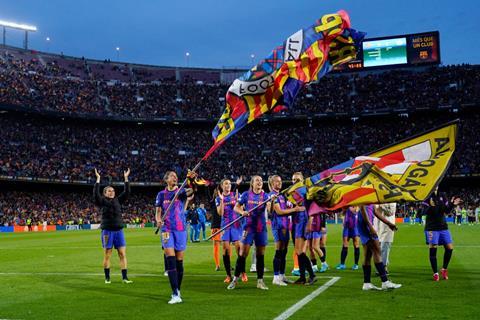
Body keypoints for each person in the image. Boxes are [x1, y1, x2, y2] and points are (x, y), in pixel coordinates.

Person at [155, 170, 195, 304]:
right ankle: (174, 293)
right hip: (167, 229)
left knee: (179, 261)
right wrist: (158, 220)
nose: (175, 178)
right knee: (170, 259)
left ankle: (178, 289)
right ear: (166, 179)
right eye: (172, 176)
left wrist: (191, 180)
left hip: (180, 229)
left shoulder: (181, 192)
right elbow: (158, 211)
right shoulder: (161, 195)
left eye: (176, 177)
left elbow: (192, 191)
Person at [227, 175, 269, 290]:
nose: (259, 182)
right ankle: (235, 280)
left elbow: (270, 210)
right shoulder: (246, 194)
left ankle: (260, 281)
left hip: (261, 229)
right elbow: (236, 207)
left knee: (260, 255)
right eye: (257, 180)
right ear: (252, 183)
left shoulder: (265, 196)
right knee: (242, 254)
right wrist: (242, 212)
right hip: (248, 228)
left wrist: (272, 201)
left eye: (261, 180)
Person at [93, 168, 132, 284]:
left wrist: (126, 178)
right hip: (107, 231)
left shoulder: (118, 200)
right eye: (109, 191)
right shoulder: (102, 201)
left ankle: (125, 278)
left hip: (119, 231)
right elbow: (96, 195)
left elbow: (127, 192)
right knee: (107, 255)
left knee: (122, 254)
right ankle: (107, 278)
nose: (112, 192)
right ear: (104, 193)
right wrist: (98, 179)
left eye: (113, 190)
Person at [268, 175, 302, 286]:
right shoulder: (272, 195)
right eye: (277, 182)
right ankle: (276, 277)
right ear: (272, 183)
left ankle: (282, 276)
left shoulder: (281, 195)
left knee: (284, 251)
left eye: (280, 181)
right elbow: (279, 212)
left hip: (286, 226)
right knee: (278, 251)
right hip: (278, 226)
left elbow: (286, 208)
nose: (279, 183)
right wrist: (295, 210)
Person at [358, 204, 401, 290]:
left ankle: (367, 283)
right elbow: (362, 208)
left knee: (367, 255)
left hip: (364, 223)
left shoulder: (370, 195)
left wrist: (388, 223)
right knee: (377, 251)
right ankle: (385, 282)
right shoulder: (365, 193)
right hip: (366, 223)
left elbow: (375, 211)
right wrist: (370, 227)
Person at [423, 190, 461, 281]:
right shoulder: (426, 196)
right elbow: (423, 212)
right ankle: (435, 273)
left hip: (443, 226)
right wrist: (431, 207)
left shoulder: (442, 195)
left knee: (449, 248)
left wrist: (452, 204)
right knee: (433, 248)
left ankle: (444, 269)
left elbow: (446, 211)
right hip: (432, 227)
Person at [291, 172, 316, 285]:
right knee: (298, 251)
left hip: (303, 221)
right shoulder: (292, 192)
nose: (295, 181)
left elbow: (312, 208)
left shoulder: (306, 190)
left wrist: (309, 222)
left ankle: (312, 275)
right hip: (296, 222)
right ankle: (302, 277)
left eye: (297, 179)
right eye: (293, 179)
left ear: (302, 180)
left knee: (300, 251)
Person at [215, 178, 242, 282]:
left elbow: (240, 207)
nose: (228, 185)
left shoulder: (235, 195)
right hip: (225, 226)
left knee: (239, 249)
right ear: (222, 186)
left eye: (230, 183)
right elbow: (220, 213)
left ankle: (242, 272)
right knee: (226, 250)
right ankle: (228, 275)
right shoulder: (218, 199)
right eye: (226, 184)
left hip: (236, 225)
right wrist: (222, 200)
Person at [335, 206, 360, 270]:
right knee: (345, 244)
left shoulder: (357, 204)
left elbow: (355, 210)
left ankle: (356, 264)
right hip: (347, 226)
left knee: (356, 244)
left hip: (355, 226)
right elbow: (343, 213)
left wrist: (348, 207)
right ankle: (342, 264)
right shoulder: (347, 205)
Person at [374, 203, 396, 274]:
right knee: (377, 248)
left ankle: (383, 267)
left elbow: (391, 212)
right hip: (377, 226)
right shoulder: (376, 199)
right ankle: (379, 267)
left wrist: (382, 206)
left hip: (387, 227)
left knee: (385, 247)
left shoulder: (392, 200)